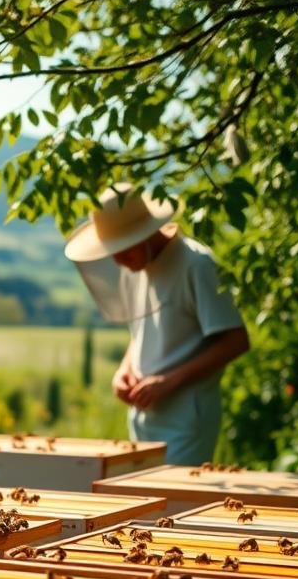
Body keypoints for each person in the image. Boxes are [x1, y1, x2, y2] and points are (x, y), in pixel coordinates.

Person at [64, 183, 249, 464]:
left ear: (148, 233)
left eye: (124, 249)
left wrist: (169, 381)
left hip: (186, 421)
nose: (117, 260)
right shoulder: (135, 266)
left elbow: (235, 340)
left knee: (173, 504)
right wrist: (124, 370)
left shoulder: (197, 264)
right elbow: (141, 333)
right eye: (112, 250)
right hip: (141, 418)